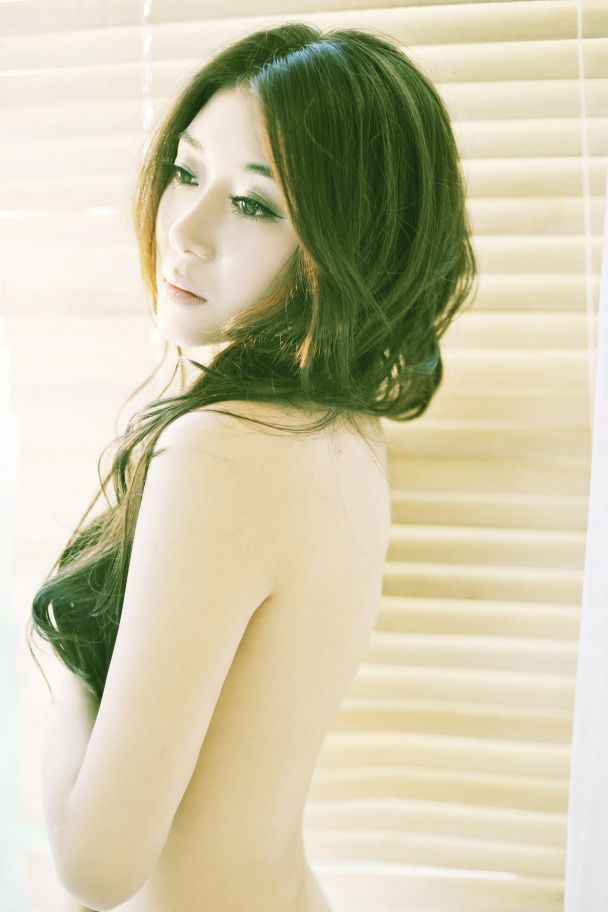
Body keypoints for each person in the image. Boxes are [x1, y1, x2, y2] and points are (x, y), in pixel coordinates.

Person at [27, 21, 477, 912]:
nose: (186, 230)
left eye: (257, 205)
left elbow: (96, 864)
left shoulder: (224, 450)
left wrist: (71, 647)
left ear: (346, 243)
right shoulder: (338, 426)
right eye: (188, 172)